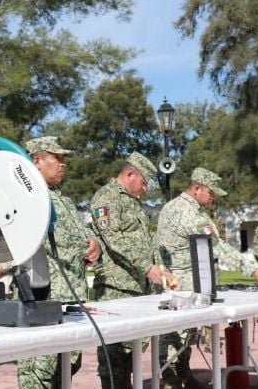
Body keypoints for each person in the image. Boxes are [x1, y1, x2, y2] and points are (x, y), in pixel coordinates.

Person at [157, 168, 258, 389]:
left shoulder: (172, 207)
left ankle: (182, 376)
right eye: (211, 192)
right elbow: (217, 247)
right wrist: (253, 270)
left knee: (183, 332)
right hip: (186, 281)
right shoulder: (189, 213)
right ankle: (171, 381)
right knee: (177, 335)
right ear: (197, 188)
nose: (214, 197)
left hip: (177, 279)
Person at [16, 136, 101, 389]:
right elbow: (14, 243)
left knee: (68, 365)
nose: (63, 164)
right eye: (58, 158)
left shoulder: (64, 200)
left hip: (71, 298)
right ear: (37, 161)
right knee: (39, 371)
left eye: (65, 159)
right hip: (44, 299)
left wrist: (94, 245)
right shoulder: (24, 198)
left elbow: (80, 237)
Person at [90, 152, 176, 389]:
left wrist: (160, 269)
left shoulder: (134, 203)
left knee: (133, 352)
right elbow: (113, 239)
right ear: (130, 174)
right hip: (116, 287)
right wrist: (145, 266)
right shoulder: (106, 198)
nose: (145, 188)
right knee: (114, 356)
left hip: (138, 287)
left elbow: (148, 242)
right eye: (144, 182)